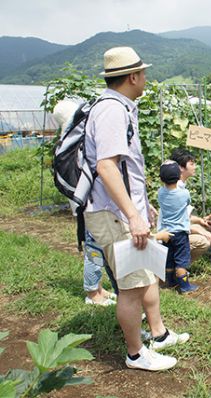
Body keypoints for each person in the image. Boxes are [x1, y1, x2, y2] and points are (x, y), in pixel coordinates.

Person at [84, 46, 189, 371]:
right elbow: (107, 167)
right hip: (114, 214)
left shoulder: (115, 106)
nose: (146, 78)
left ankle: (157, 334)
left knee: (145, 277)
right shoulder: (113, 110)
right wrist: (132, 215)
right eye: (143, 73)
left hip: (121, 210)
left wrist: (143, 209)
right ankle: (135, 354)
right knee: (132, 286)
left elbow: (125, 169)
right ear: (132, 76)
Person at [53, 100, 118, 306]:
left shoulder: (68, 139)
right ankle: (92, 293)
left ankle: (98, 287)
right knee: (94, 245)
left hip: (83, 201)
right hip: (89, 203)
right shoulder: (79, 141)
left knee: (96, 243)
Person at [157, 161, 199, 293]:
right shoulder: (184, 193)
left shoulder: (160, 193)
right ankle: (185, 287)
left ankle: (169, 283)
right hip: (180, 233)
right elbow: (188, 203)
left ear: (161, 179)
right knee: (181, 261)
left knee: (169, 259)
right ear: (179, 176)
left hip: (166, 233)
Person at [169, 147, 211, 259]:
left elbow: (184, 216)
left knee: (206, 227)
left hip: (175, 229)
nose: (195, 167)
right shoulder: (176, 190)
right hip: (173, 234)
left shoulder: (179, 185)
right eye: (191, 164)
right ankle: (177, 267)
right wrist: (200, 231)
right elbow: (178, 224)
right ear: (181, 168)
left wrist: (200, 220)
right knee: (203, 241)